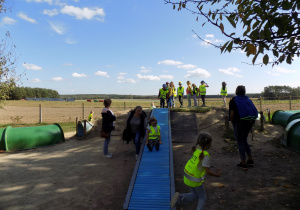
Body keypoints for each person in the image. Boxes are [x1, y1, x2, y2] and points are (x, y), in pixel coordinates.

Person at [170, 133, 221, 209]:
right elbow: (208, 172)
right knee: (202, 197)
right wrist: (217, 175)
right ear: (208, 144)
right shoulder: (205, 155)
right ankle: (180, 198)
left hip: (187, 175)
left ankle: (180, 197)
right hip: (195, 179)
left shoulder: (196, 149)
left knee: (194, 195)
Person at [229, 85, 258, 170]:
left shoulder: (234, 100)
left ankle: (243, 162)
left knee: (240, 142)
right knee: (244, 140)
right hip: (249, 123)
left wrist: (232, 122)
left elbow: (232, 113)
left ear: (236, 91)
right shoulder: (248, 99)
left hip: (239, 123)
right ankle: (250, 159)